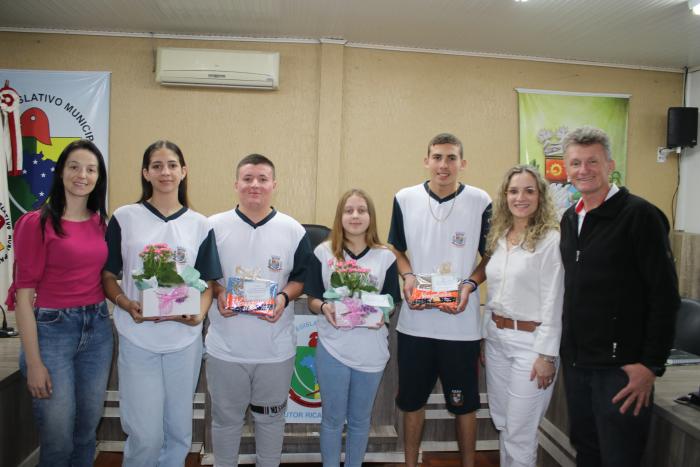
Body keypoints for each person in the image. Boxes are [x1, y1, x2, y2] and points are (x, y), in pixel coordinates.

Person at [559, 127, 680, 467]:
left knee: (620, 457)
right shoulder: (570, 219)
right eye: (576, 163)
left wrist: (650, 365)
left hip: (621, 369)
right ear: (566, 169)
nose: (584, 170)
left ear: (610, 165)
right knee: (587, 452)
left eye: (593, 161)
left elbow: (665, 296)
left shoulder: (640, 216)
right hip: (578, 363)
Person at [102, 140, 221, 466]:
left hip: (184, 340)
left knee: (179, 431)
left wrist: (199, 314)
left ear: (183, 171)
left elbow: (209, 283)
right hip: (137, 337)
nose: (165, 172)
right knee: (145, 434)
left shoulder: (200, 224)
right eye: (157, 165)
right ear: (146, 173)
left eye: (171, 165)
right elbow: (108, 276)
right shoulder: (125, 217)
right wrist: (126, 303)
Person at [388, 133, 491, 467]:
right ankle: (410, 464)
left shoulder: (480, 201)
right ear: (426, 160)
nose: (443, 165)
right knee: (412, 403)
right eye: (437, 157)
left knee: (465, 405)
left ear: (463, 163)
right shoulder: (405, 198)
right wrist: (407, 276)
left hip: (461, 328)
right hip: (415, 326)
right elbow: (396, 249)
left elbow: (491, 256)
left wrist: (470, 284)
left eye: (451, 158)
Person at [7, 140, 112, 467]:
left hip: (98, 329)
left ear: (98, 177)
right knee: (58, 437)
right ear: (61, 172)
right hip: (52, 332)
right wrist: (34, 363)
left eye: (91, 169)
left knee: (86, 431)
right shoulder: (35, 223)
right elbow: (23, 298)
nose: (83, 175)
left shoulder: (100, 222)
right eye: (74, 167)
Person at [206, 153, 312, 467]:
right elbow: (203, 276)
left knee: (270, 421)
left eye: (262, 179)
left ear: (274, 185)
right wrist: (219, 292)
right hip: (226, 349)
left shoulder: (293, 230)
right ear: (236, 184)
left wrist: (283, 298)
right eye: (248, 178)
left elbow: (301, 279)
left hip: (274, 350)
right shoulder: (212, 227)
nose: (255, 185)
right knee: (226, 422)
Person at [304, 189, 401, 467]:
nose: (355, 216)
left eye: (361, 210)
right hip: (333, 347)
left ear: (371, 216)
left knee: (360, 420)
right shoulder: (323, 252)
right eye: (349, 210)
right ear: (340, 216)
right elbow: (312, 298)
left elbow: (391, 300)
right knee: (332, 419)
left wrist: (383, 312)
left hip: (371, 350)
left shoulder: (386, 257)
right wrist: (325, 307)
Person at [480, 165, 563, 467]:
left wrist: (547, 355)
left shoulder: (551, 240)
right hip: (497, 340)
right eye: (514, 191)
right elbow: (495, 295)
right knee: (503, 422)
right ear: (505, 196)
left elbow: (555, 299)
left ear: (541, 196)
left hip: (532, 346)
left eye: (529, 191)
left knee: (520, 433)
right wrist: (485, 337)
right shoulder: (500, 237)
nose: (521, 197)